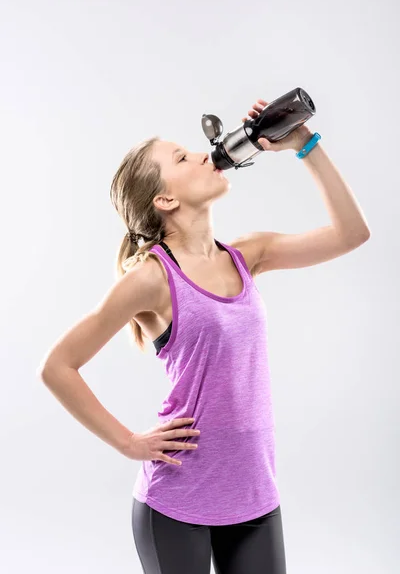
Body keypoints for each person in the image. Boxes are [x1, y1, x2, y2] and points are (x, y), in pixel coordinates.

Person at [38, 98, 370, 574]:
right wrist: (129, 443)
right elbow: (57, 366)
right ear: (165, 200)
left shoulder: (248, 254)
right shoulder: (152, 278)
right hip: (176, 501)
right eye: (182, 158)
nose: (202, 156)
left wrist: (303, 143)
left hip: (255, 493)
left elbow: (352, 234)